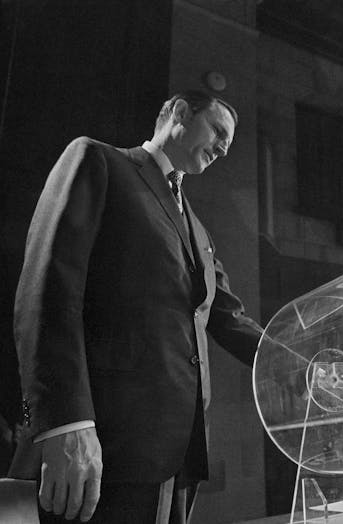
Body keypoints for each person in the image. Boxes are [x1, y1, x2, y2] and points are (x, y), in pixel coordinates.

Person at [12, 90, 263, 523]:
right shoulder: (99, 161)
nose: (224, 147)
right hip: (103, 444)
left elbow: (228, 318)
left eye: (229, 142)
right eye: (219, 131)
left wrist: (299, 358)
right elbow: (48, 290)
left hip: (180, 454)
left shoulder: (199, 229)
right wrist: (65, 423)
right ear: (180, 113)